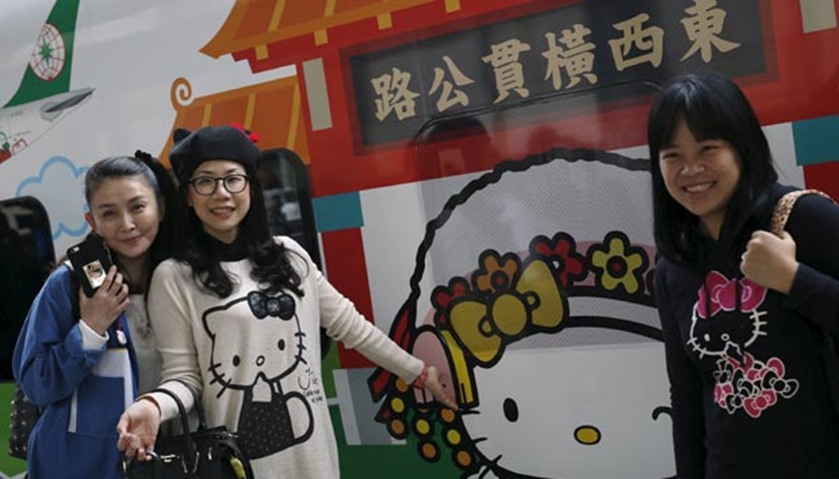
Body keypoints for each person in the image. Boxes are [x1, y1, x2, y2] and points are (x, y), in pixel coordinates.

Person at [116, 125, 457, 478]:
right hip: (238, 464)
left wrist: (418, 373)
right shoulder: (175, 276)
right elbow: (184, 377)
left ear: (251, 186)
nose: (221, 193)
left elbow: (350, 327)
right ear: (187, 195)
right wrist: (153, 405)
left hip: (314, 457)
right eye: (205, 181)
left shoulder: (290, 255)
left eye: (233, 179)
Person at [648, 72, 839, 478]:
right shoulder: (673, 267)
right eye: (672, 156)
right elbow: (686, 394)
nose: (691, 169)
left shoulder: (803, 220)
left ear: (742, 147)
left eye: (708, 148)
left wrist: (794, 280)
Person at [12, 152, 176, 479]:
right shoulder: (70, 284)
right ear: (92, 222)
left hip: (164, 462)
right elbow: (34, 384)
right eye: (109, 213)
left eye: (138, 207)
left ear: (160, 207)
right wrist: (90, 329)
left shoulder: (179, 278)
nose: (127, 224)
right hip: (77, 467)